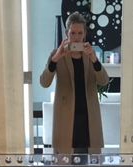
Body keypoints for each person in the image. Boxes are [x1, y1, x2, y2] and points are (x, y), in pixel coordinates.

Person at [40, 12, 109, 154]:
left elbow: (104, 81)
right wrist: (55, 59)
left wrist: (94, 60)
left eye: (80, 33)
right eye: (73, 33)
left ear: (84, 34)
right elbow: (44, 82)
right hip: (65, 118)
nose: (76, 37)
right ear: (67, 33)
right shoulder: (56, 54)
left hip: (89, 118)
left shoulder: (90, 54)